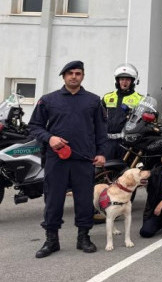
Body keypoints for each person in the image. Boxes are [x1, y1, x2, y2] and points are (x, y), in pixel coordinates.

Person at [30, 60, 108, 258]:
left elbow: (101, 131)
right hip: (56, 160)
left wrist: (101, 153)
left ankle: (84, 237)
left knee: (83, 200)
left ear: (83, 76)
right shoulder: (48, 100)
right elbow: (35, 127)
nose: (74, 76)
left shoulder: (93, 100)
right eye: (70, 73)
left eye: (78, 73)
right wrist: (51, 138)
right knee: (53, 200)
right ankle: (51, 240)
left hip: (84, 159)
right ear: (63, 76)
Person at [102, 63, 144, 160]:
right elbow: (98, 117)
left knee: (125, 171)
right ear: (117, 81)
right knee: (106, 170)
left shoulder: (139, 99)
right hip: (108, 142)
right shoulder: (107, 97)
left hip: (126, 143)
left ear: (133, 81)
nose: (124, 82)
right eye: (122, 79)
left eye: (127, 79)